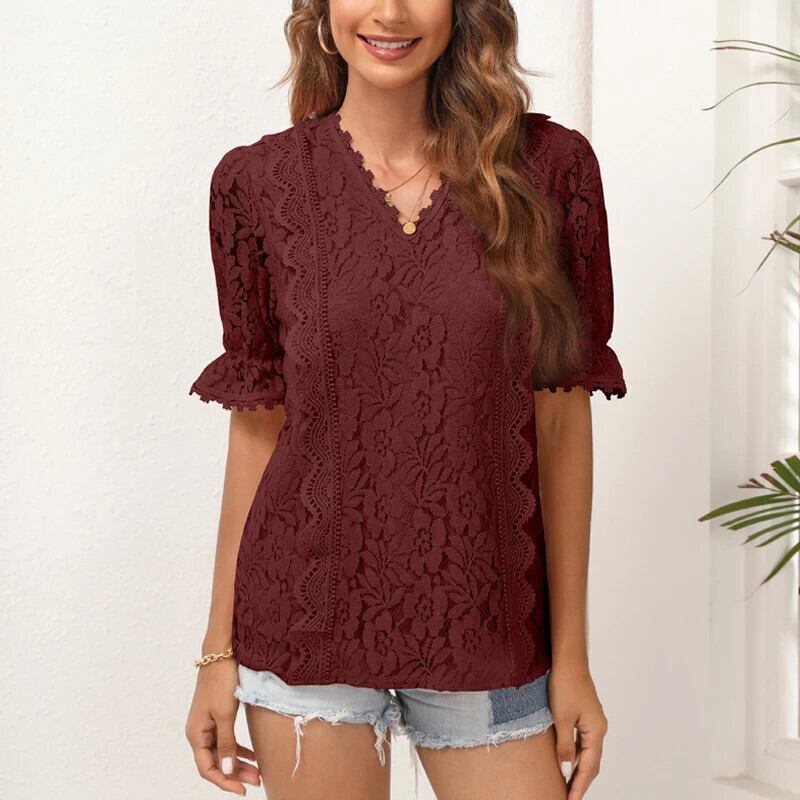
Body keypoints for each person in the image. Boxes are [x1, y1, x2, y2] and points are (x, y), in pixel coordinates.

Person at [184, 2, 627, 799]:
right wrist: (218, 653)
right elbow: (258, 429)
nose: (389, 12)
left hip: (490, 625)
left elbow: (561, 423)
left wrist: (572, 660)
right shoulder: (258, 184)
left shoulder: (549, 171)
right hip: (305, 624)